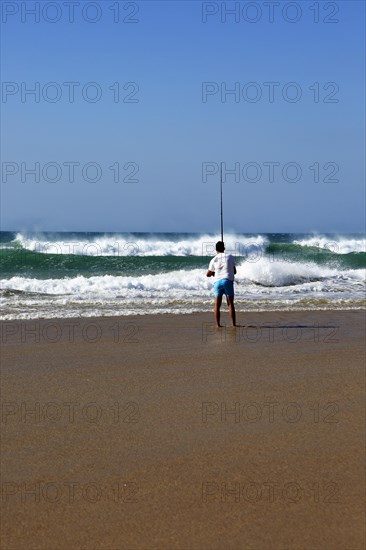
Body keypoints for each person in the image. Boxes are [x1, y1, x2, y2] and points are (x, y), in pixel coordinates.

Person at [206, 241, 236, 328]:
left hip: (218, 283)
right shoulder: (230, 257)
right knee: (230, 304)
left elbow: (208, 274)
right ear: (224, 248)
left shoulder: (213, 259)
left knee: (217, 305)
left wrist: (213, 273)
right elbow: (234, 271)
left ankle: (218, 325)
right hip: (228, 281)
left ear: (216, 249)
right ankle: (233, 324)